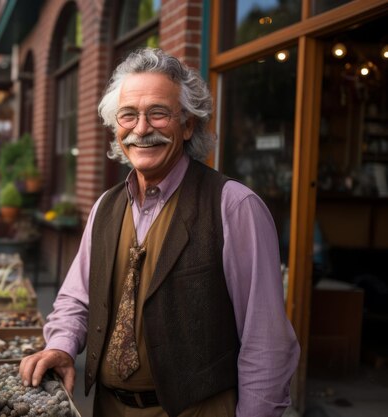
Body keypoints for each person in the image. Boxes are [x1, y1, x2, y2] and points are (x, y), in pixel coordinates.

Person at [20, 48, 299, 417]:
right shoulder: (105, 206)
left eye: (158, 113)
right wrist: (61, 346)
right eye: (128, 115)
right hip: (107, 408)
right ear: (115, 126)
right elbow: (77, 299)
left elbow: (266, 344)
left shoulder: (234, 206)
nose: (141, 128)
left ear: (187, 125)